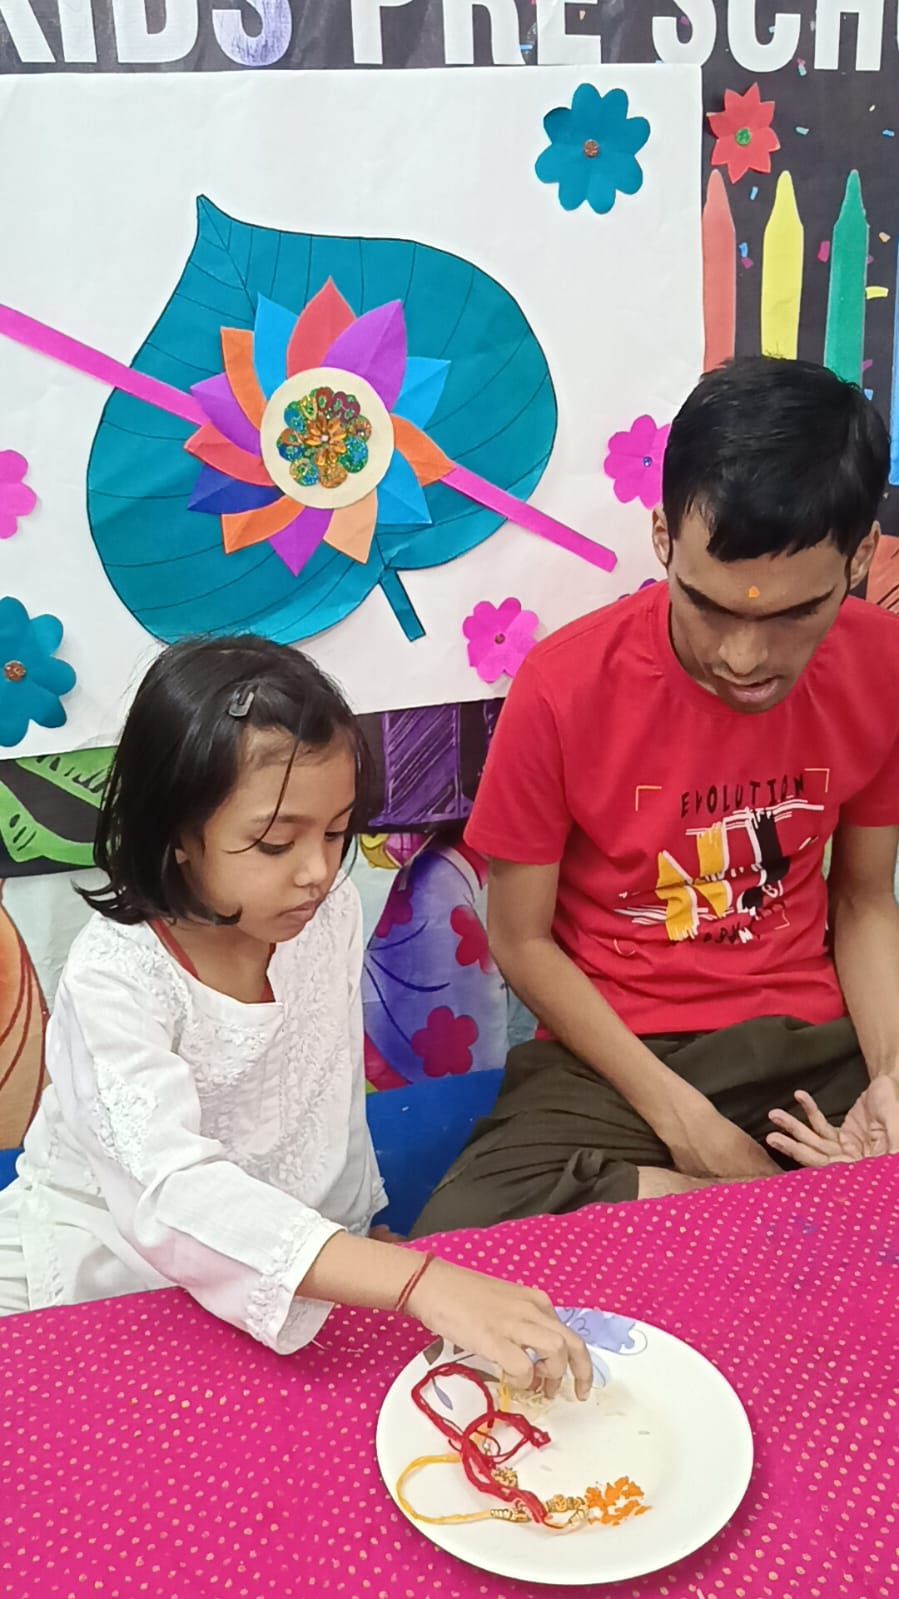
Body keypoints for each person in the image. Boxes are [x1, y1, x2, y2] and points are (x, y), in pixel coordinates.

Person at [0, 637, 591, 1398]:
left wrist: (346, 1240)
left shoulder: (325, 914)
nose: (317, 870)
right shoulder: (115, 979)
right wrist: (416, 1282)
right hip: (113, 1256)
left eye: (337, 831)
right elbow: (170, 1195)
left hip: (279, 1256)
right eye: (275, 842)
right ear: (177, 835)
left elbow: (321, 1102)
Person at [412, 357, 899, 1236]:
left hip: (808, 1040)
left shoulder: (881, 664)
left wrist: (892, 1077)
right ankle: (771, 1211)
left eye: (793, 614)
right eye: (709, 606)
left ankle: (765, 1212)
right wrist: (692, 1133)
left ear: (860, 556)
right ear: (662, 537)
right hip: (617, 1058)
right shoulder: (562, 686)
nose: (743, 659)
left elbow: (863, 899)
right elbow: (520, 940)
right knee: (466, 1232)